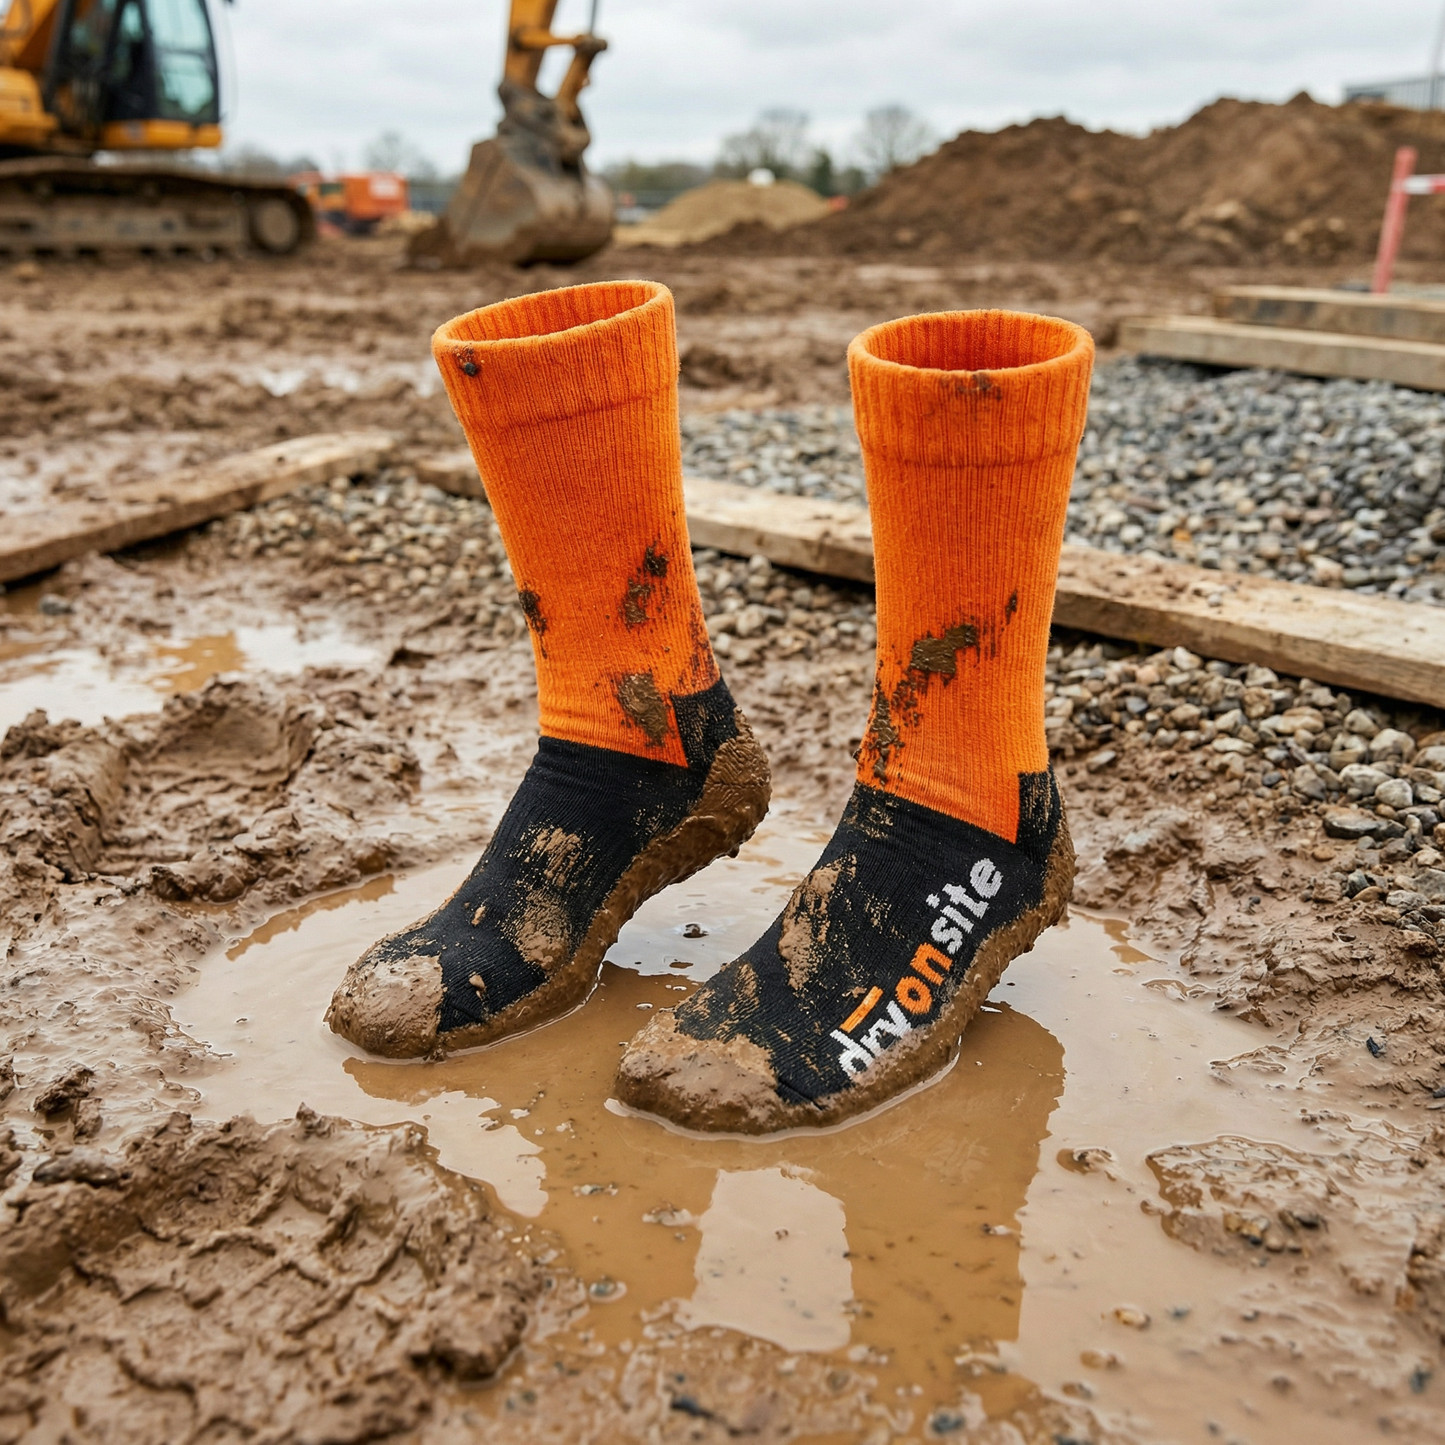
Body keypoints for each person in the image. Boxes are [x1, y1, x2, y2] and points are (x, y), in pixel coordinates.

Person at [326, 279, 1093, 1134]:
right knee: (541, 360)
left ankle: (969, 805)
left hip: (977, 818)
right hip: (642, 728)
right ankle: (629, 731)